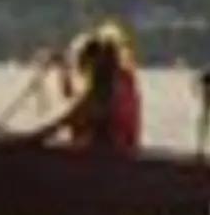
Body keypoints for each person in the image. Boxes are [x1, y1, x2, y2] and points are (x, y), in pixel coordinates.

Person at [37, 20, 140, 152]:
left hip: (105, 158)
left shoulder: (100, 96)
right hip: (116, 156)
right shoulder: (122, 83)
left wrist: (26, 142)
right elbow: (71, 98)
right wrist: (64, 70)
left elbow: (63, 122)